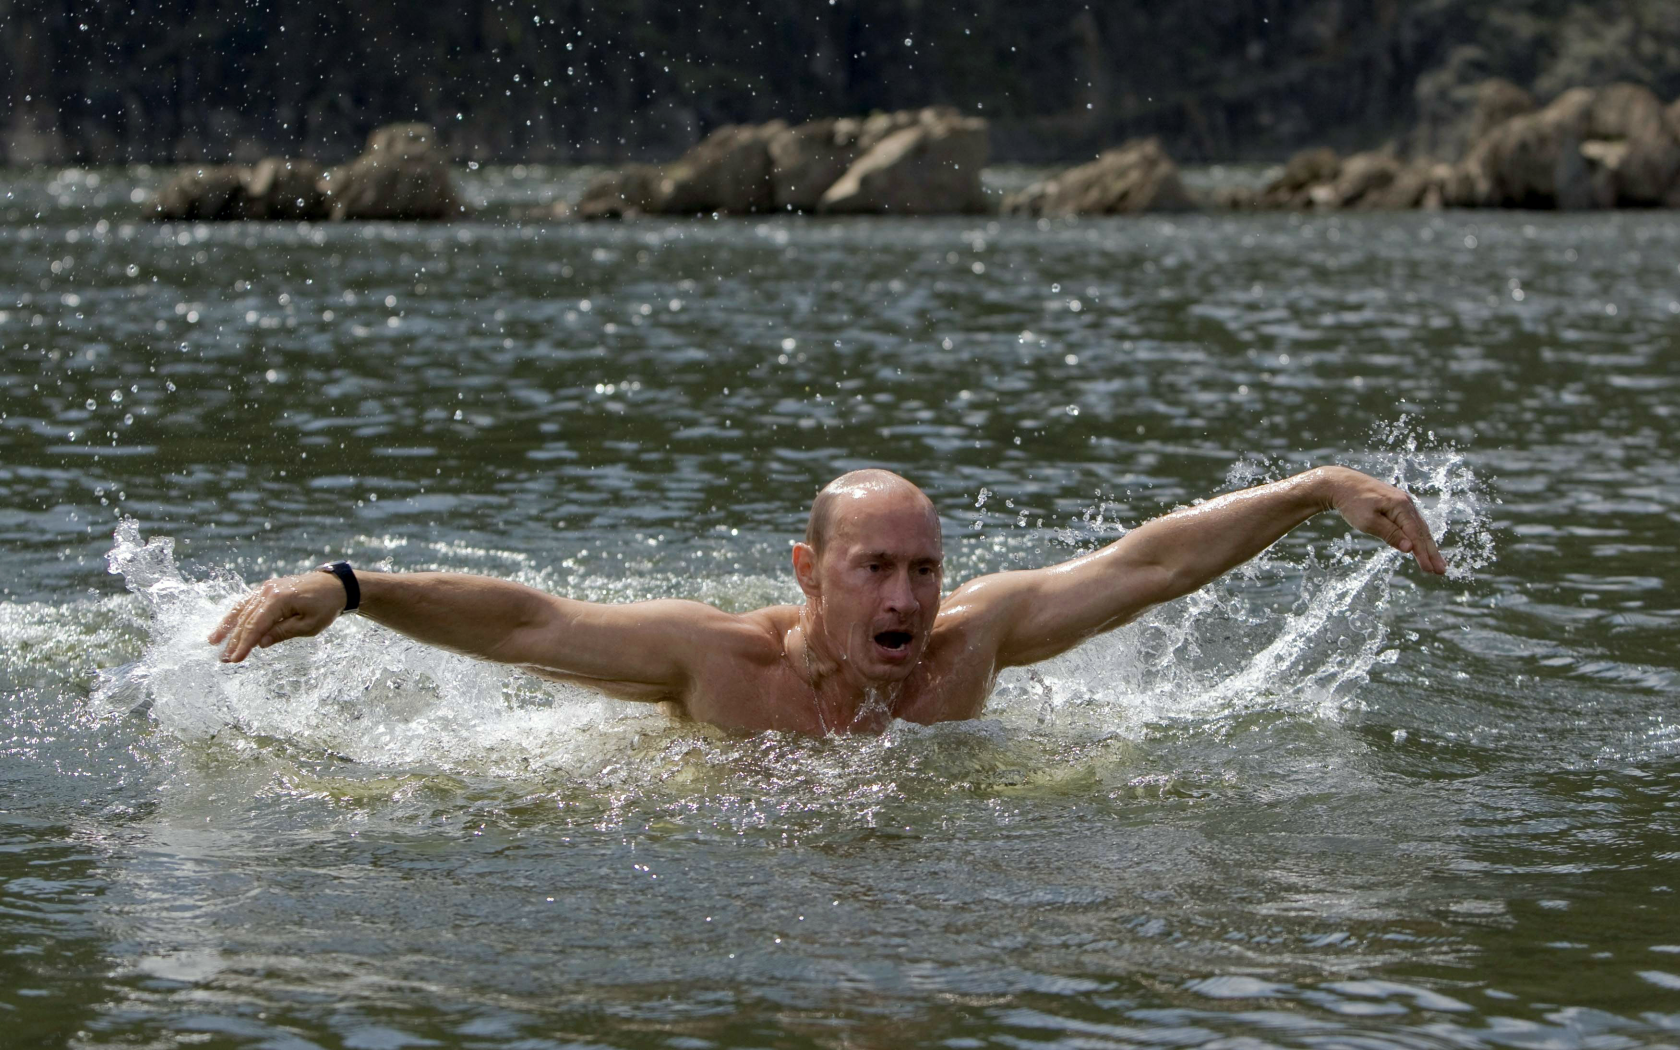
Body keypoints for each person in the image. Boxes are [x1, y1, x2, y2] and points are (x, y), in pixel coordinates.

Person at [210, 465, 1446, 734]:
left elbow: (1147, 565)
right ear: (809, 576)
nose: (908, 595)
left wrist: (1319, 490)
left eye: (923, 567)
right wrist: (352, 586)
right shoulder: (716, 665)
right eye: (876, 568)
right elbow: (531, 623)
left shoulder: (971, 650)